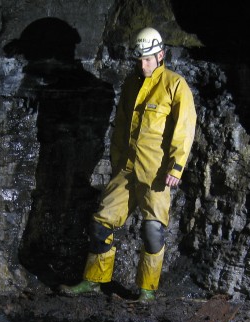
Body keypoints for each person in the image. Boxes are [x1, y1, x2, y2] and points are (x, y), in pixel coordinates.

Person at [59, 27, 197, 302]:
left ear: (161, 55)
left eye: (148, 59)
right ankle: (95, 280)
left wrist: (176, 167)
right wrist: (116, 161)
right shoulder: (131, 84)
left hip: (155, 172)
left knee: (153, 230)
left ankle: (146, 291)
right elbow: (121, 126)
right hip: (127, 168)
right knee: (101, 221)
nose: (143, 65)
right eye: (140, 60)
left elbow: (184, 128)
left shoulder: (175, 85)